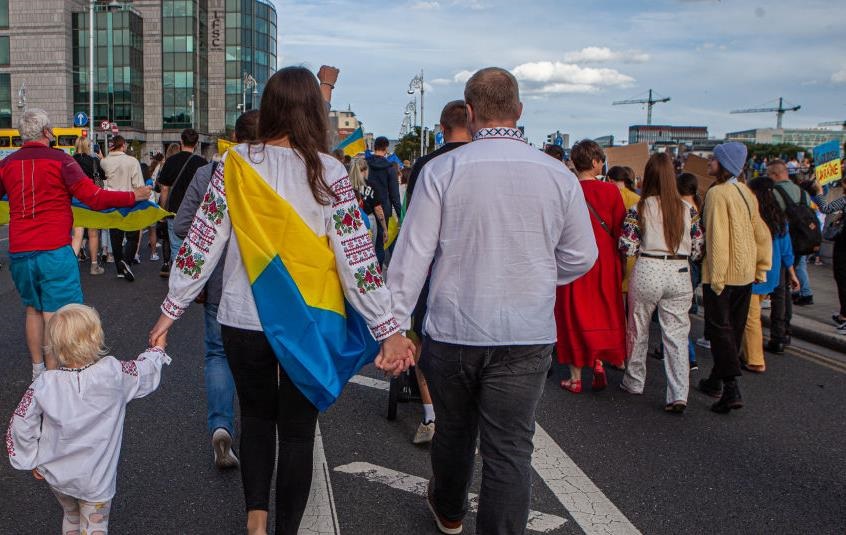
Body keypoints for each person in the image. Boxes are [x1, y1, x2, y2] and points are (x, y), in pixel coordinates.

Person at [148, 66, 414, 535]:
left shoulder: (234, 165)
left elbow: (202, 244)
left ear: (268, 108)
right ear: (313, 112)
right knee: (296, 432)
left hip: (242, 317)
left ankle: (256, 522)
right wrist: (387, 328)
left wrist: (170, 311)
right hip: (307, 321)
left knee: (254, 418)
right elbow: (356, 258)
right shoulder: (328, 170)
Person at [387, 67, 597, 534]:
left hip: (455, 327)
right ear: (519, 110)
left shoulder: (443, 170)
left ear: (470, 112)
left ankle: (449, 510)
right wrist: (538, 275)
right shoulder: (557, 175)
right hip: (526, 332)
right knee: (510, 450)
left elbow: (412, 257)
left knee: (455, 432)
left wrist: (395, 329)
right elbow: (582, 255)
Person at [0, 109, 150, 380]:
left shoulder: (7, 164)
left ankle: (37, 372)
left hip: (21, 250)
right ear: (47, 132)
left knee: (33, 309)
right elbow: (94, 197)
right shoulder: (61, 161)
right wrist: (133, 196)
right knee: (56, 314)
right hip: (53, 249)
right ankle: (53, 378)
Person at [6, 304, 171, 535]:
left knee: (71, 515)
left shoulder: (45, 384)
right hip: (96, 480)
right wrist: (157, 351)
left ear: (54, 344)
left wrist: (30, 457)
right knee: (95, 526)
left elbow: (21, 421)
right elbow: (143, 372)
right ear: (96, 338)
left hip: (58, 476)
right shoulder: (113, 373)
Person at [172, 111, 260, 470]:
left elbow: (181, 224)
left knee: (217, 353)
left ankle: (221, 425)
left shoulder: (208, 173)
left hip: (219, 279)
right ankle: (260, 430)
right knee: (265, 358)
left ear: (233, 137)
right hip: (267, 283)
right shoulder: (277, 174)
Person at [403, 100, 473, 445]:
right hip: (473, 266)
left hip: (432, 266)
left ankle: (430, 414)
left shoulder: (426, 165)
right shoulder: (481, 162)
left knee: (420, 335)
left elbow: (411, 221)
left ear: (442, 129)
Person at [618, 153, 703, 412]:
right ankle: (678, 394)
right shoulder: (688, 210)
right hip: (679, 271)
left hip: (648, 268)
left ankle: (634, 381)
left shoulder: (640, 208)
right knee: (677, 335)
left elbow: (627, 245)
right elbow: (698, 248)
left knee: (638, 328)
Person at [698, 142, 771, 413]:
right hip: (745, 273)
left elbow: (716, 236)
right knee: (734, 329)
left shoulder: (717, 193)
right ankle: (715, 381)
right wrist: (761, 267)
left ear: (724, 164)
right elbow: (761, 233)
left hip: (722, 274)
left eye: (714, 159)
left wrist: (716, 277)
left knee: (720, 330)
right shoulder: (745, 191)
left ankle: (730, 388)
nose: (709, 162)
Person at [556, 139, 626, 393]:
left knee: (573, 313)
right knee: (602, 310)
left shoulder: (567, 189)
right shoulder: (611, 192)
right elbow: (620, 229)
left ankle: (575, 377)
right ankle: (598, 361)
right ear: (596, 162)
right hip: (605, 259)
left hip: (573, 258)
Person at [743, 176, 800, 372]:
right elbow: (786, 250)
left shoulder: (753, 216)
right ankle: (745, 352)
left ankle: (755, 359)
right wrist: (792, 274)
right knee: (752, 314)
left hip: (754, 271)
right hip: (772, 273)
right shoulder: (779, 218)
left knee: (751, 318)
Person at [156, 128, 208, 265]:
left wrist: (162, 211)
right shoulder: (202, 163)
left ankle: (178, 275)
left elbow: (164, 188)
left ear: (181, 142)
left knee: (176, 248)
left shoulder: (170, 161)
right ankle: (192, 274)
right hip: (196, 212)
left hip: (174, 210)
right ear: (196, 144)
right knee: (195, 248)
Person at [100, 135, 146, 281]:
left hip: (112, 202)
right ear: (123, 145)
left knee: (116, 236)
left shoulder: (105, 162)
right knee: (132, 235)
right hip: (130, 201)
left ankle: (119, 269)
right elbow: (138, 184)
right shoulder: (132, 161)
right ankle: (126, 261)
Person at [812, 177, 846, 334]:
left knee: (842, 279)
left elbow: (825, 208)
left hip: (843, 246)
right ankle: (842, 315)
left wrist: (819, 192)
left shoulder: (844, 200)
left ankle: (844, 318)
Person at [71, 136, 105, 275]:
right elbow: (103, 176)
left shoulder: (70, 161)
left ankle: (72, 266)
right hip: (91, 199)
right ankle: (94, 266)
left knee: (77, 234)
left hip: (75, 200)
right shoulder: (94, 161)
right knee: (93, 233)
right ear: (87, 147)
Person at [366, 136, 402, 266]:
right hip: (383, 209)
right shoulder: (390, 168)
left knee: (365, 243)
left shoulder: (366, 164)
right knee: (380, 244)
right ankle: (378, 271)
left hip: (365, 207)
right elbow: (394, 195)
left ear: (374, 146)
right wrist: (400, 215)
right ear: (386, 148)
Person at [608, 165, 640, 298]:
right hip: (634, 254)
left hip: (613, 250)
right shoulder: (637, 199)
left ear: (610, 180)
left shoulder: (610, 196)